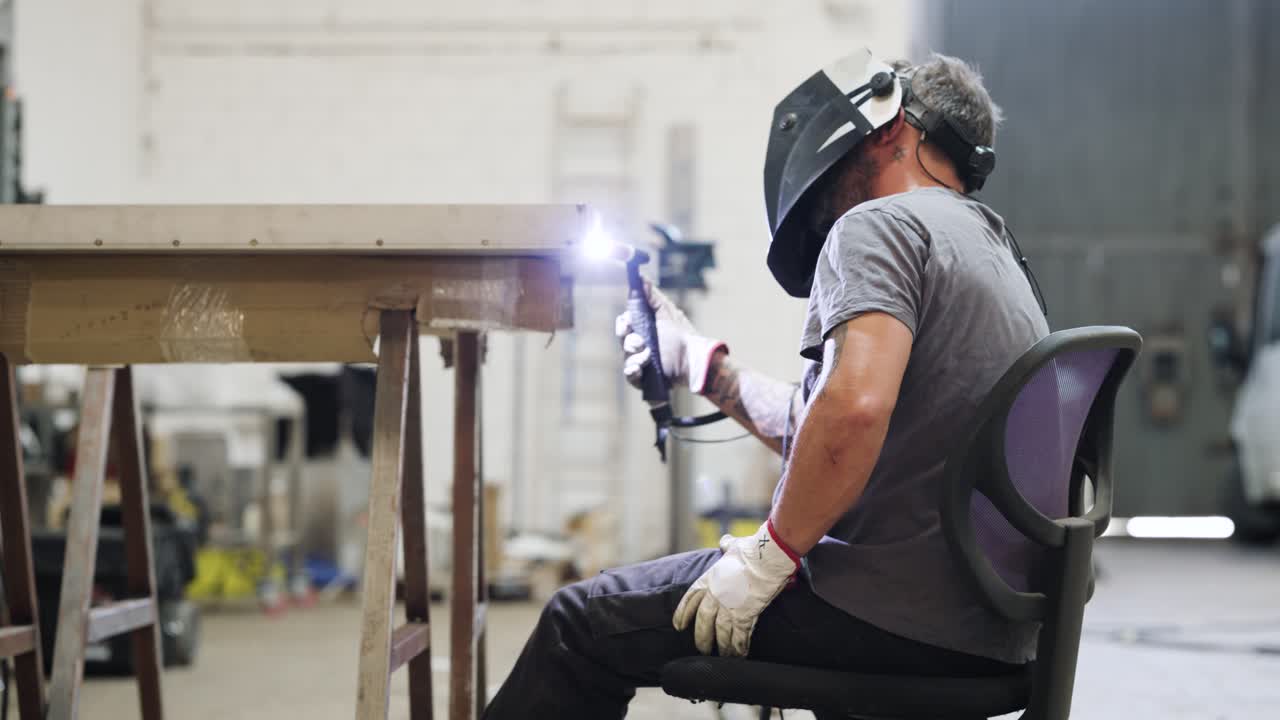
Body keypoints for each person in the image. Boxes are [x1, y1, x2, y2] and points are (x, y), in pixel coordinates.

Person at [482, 48, 1049, 719]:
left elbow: (857, 408)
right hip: (988, 629)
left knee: (580, 621)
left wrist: (769, 555)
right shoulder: (994, 249)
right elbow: (839, 429)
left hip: (884, 613)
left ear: (892, 125)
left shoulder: (878, 225)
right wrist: (706, 369)